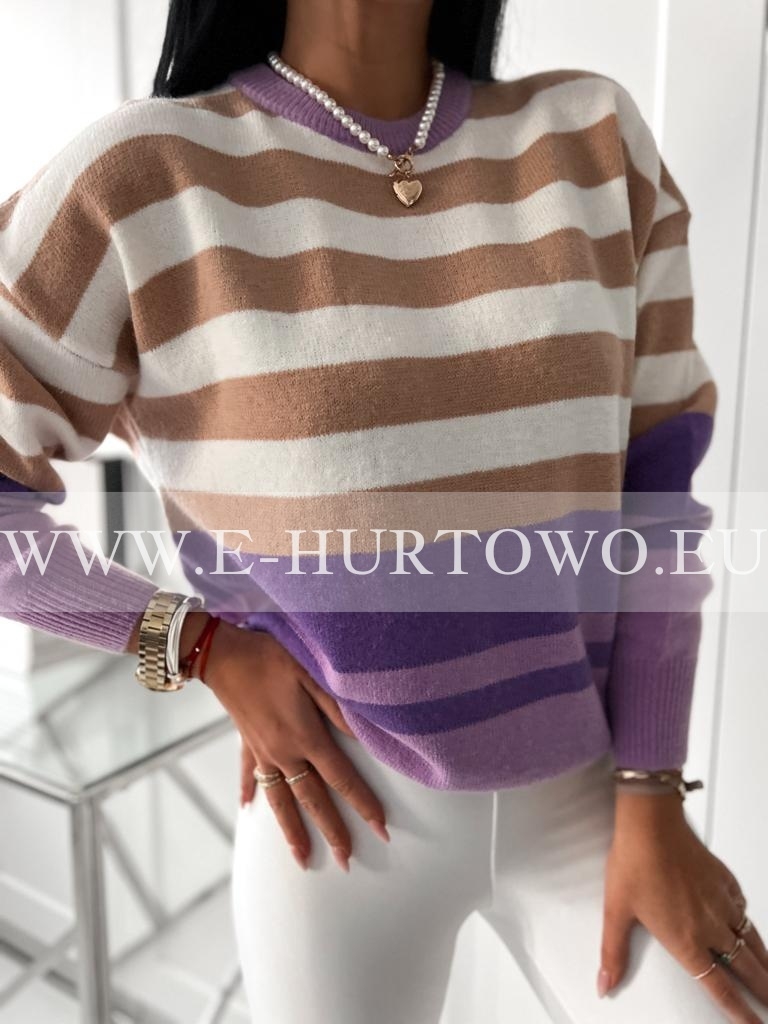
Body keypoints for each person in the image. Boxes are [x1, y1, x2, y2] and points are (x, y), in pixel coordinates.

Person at [1, 0, 766, 1021]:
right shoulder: (143, 177)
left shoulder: (590, 138)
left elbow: (658, 504)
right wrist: (193, 643)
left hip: (597, 801)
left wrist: (654, 792)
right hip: (338, 822)